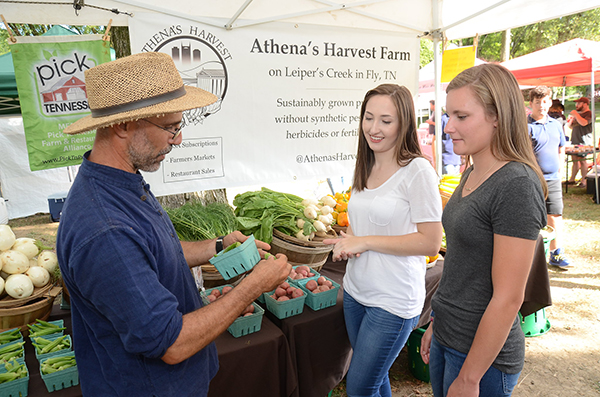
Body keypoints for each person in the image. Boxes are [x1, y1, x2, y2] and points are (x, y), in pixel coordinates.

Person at [56, 52, 291, 396]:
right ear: (122, 125)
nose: (178, 139)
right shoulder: (104, 230)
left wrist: (218, 247)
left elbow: (151, 252)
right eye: (170, 127)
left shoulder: (119, 181)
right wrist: (254, 285)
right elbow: (172, 343)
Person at [420, 64, 547, 397]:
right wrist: (437, 322)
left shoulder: (516, 184)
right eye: (449, 115)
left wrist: (470, 377)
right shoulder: (473, 169)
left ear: (497, 117)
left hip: (482, 359)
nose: (448, 127)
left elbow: (508, 298)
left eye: (461, 116)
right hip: (450, 336)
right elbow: (462, 265)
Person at [323, 84, 443, 397]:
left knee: (361, 388)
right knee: (375, 380)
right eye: (368, 118)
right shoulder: (368, 162)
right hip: (356, 292)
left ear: (404, 123)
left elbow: (430, 242)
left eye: (385, 121)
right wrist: (349, 240)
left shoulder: (418, 171)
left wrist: (364, 242)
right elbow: (369, 225)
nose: (374, 129)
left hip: (393, 300)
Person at [528, 86, 572, 269]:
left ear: (550, 102)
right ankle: (530, 255)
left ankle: (556, 253)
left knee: (555, 215)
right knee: (532, 217)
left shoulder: (556, 124)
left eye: (545, 101)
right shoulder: (525, 126)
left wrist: (560, 170)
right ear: (531, 104)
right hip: (532, 179)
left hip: (553, 178)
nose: (541, 105)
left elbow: (561, 147)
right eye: (537, 102)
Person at [566, 96, 593, 187]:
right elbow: (571, 126)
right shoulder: (577, 115)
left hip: (584, 141)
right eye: (576, 103)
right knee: (574, 160)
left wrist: (576, 115)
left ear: (585, 104)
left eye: (579, 103)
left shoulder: (589, 114)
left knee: (582, 160)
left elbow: (584, 123)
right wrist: (570, 120)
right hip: (575, 140)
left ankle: (584, 181)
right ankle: (572, 179)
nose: (576, 105)